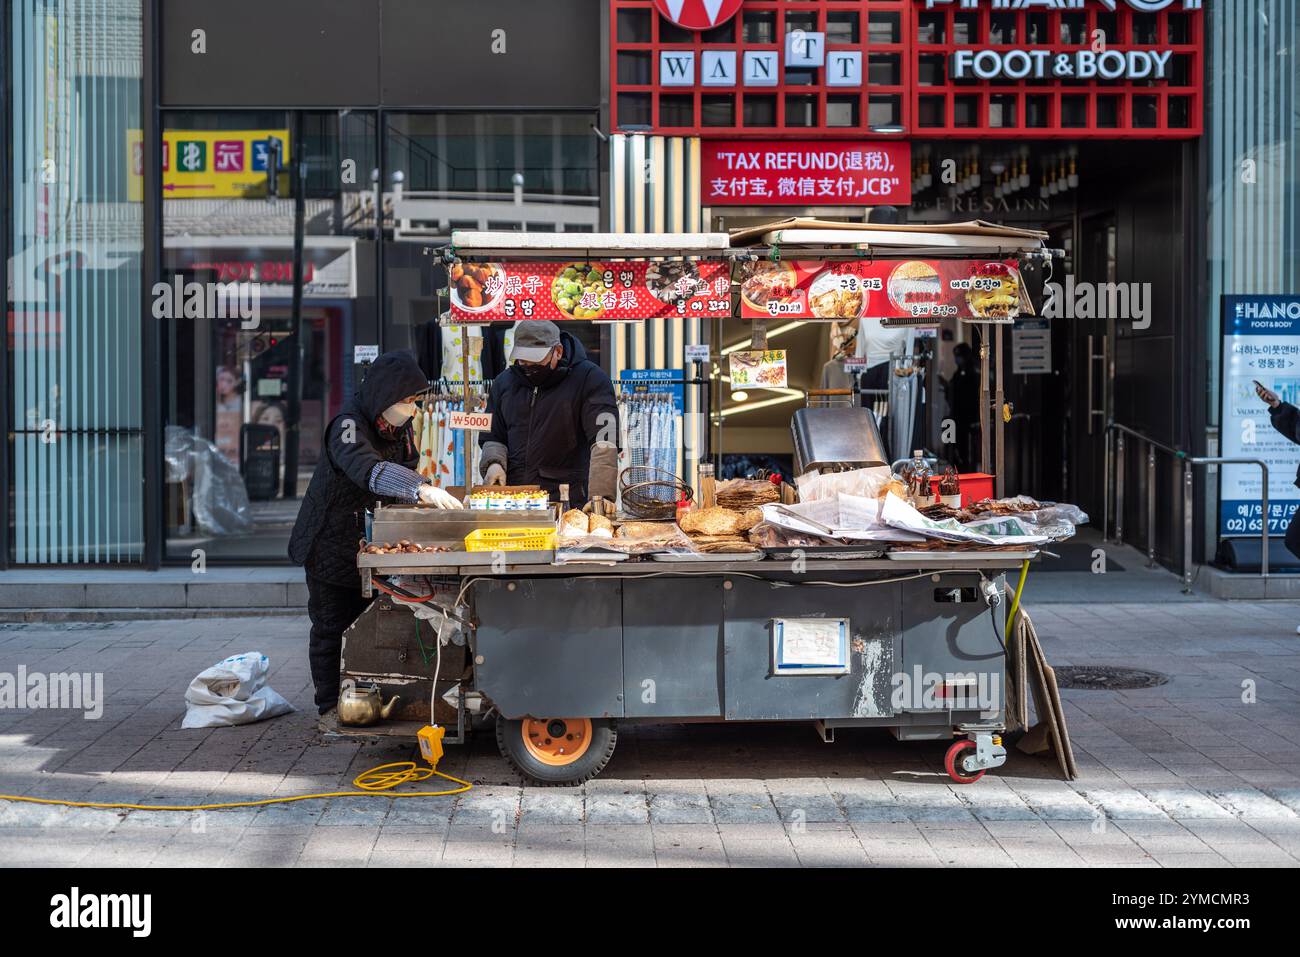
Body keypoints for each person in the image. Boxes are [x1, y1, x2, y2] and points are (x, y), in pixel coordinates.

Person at [288, 349, 461, 713]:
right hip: (329, 543)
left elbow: (409, 462)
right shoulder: (347, 425)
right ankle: (330, 707)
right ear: (385, 396)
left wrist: (419, 495)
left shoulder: (399, 425)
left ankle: (365, 698)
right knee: (331, 628)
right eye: (408, 401)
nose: (413, 409)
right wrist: (419, 488)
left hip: (370, 542)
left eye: (416, 402)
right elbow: (368, 470)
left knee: (368, 626)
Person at [479, 320, 618, 504]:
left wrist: (601, 496)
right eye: (522, 360)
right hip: (515, 497)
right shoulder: (504, 383)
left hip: (568, 498)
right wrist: (494, 463)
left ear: (558, 351)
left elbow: (604, 440)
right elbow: (494, 434)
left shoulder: (591, 380)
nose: (528, 366)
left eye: (536, 360)